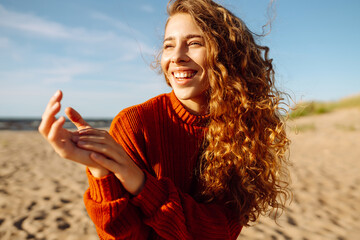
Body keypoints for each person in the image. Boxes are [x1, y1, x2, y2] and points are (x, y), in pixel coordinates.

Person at [39, 0, 291, 239]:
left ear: (227, 54)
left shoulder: (242, 127)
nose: (177, 56)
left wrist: (139, 183)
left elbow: (222, 230)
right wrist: (100, 170)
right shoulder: (135, 124)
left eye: (194, 43)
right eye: (169, 45)